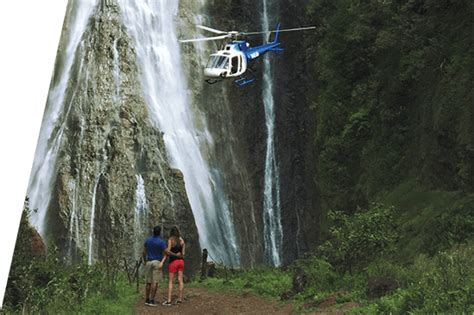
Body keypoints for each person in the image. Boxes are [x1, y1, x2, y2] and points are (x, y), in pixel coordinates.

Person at [142, 225, 167, 307]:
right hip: (157, 262)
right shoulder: (161, 242)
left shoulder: (148, 240)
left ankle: (147, 299)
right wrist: (162, 262)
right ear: (160, 232)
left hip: (148, 262)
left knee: (148, 282)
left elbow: (144, 251)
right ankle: (152, 300)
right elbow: (166, 253)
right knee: (155, 282)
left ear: (153, 231)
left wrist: (145, 260)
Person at [161, 226, 185, 306]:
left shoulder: (170, 240)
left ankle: (169, 300)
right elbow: (183, 254)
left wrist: (174, 255)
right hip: (181, 262)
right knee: (180, 280)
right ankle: (180, 299)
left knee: (171, 281)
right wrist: (179, 255)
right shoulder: (181, 240)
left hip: (173, 262)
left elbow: (168, 252)